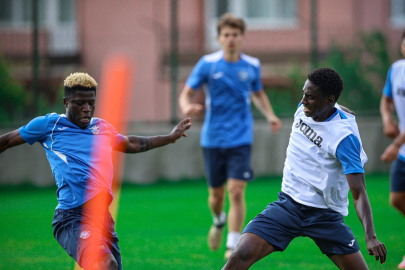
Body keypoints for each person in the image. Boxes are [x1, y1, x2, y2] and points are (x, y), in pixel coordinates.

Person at [0, 72, 192, 270]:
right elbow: (5, 141)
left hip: (102, 218)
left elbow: (131, 144)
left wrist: (169, 138)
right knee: (105, 264)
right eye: (80, 103)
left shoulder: (101, 127)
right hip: (73, 216)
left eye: (91, 103)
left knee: (111, 266)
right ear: (66, 102)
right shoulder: (49, 125)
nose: (87, 109)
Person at [222, 67, 387, 270]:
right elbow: (337, 108)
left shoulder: (344, 139)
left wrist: (371, 237)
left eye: (310, 97)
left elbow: (359, 193)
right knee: (240, 255)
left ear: (329, 100)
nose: (303, 101)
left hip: (324, 214)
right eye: (304, 93)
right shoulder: (305, 108)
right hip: (288, 205)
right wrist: (339, 108)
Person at [178, 13, 282, 259]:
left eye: (235, 34)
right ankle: (218, 220)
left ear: (242, 37)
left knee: (236, 191)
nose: (231, 39)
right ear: (219, 38)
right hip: (213, 139)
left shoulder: (252, 65)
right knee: (216, 196)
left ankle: (232, 245)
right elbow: (186, 93)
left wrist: (270, 115)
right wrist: (186, 107)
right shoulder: (208, 64)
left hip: (241, 138)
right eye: (226, 35)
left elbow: (257, 93)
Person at [380, 30, 405, 269]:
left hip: (401, 146)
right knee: (396, 199)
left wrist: (396, 144)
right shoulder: (396, 69)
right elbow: (386, 99)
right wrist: (387, 119)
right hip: (404, 150)